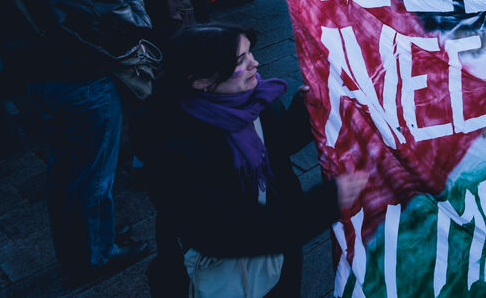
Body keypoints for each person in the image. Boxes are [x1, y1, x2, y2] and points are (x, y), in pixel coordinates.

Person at [137, 25, 366, 297]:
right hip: (234, 265)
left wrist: (306, 108)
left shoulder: (253, 99)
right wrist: (322, 204)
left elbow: (278, 146)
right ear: (200, 81)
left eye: (250, 53)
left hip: (279, 244)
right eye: (240, 61)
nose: (254, 63)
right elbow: (224, 230)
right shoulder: (173, 147)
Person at [9, 0, 153, 285]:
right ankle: (96, 255)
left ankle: (76, 246)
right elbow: (137, 27)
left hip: (43, 82)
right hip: (86, 85)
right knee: (94, 173)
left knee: (63, 169)